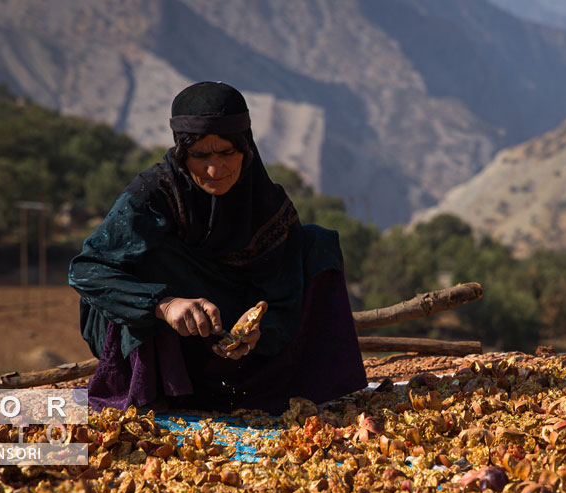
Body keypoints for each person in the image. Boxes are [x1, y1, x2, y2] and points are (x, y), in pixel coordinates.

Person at [68, 81, 367, 413]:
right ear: (182, 154)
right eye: (199, 155)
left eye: (227, 152)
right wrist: (163, 305)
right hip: (168, 333)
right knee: (147, 253)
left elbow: (284, 296)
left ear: (245, 148)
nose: (215, 169)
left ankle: (292, 387)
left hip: (231, 345)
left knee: (317, 244)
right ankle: (157, 391)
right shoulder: (154, 194)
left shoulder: (266, 203)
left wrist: (259, 333)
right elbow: (86, 270)